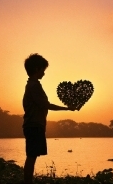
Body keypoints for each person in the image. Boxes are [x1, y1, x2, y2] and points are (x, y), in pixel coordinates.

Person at [22, 53, 76, 183]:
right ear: (37, 69)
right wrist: (67, 108)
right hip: (34, 125)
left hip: (34, 125)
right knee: (31, 156)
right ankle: (27, 182)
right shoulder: (34, 86)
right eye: (43, 70)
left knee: (32, 155)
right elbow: (46, 105)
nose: (44, 73)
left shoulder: (32, 85)